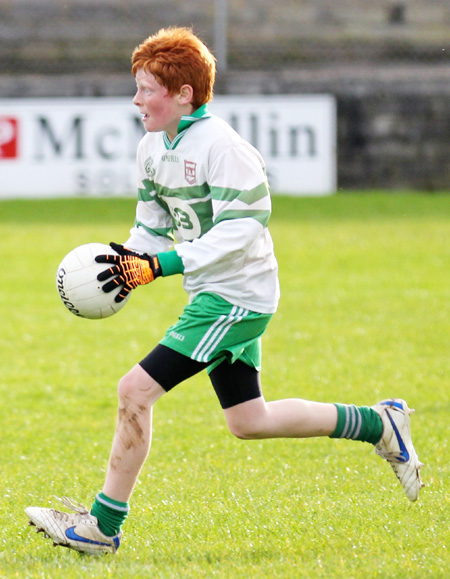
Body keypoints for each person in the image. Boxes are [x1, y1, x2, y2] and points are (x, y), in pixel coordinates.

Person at [25, 27, 424, 556]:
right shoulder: (151, 147)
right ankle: (380, 422)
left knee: (134, 392)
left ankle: (101, 528)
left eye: (146, 89)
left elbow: (243, 227)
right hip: (213, 292)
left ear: (183, 94)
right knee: (248, 421)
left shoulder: (223, 147)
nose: (136, 100)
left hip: (238, 296)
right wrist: (128, 259)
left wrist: (160, 265)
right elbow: (151, 223)